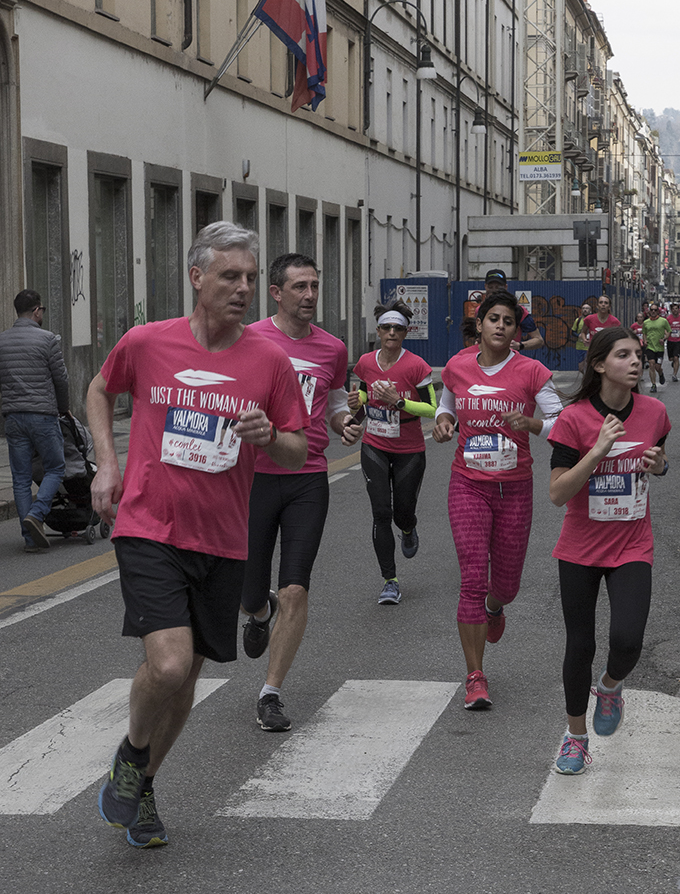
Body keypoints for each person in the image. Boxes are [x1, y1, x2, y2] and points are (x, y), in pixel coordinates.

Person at [88, 222, 308, 848]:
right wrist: (108, 463)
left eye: (248, 278)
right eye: (229, 276)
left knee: (188, 680)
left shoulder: (269, 360)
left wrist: (272, 437)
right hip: (149, 526)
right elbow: (100, 390)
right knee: (169, 662)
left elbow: (296, 448)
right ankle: (133, 753)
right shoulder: (147, 342)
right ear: (196, 278)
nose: (243, 289)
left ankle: (144, 782)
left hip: (222, 538)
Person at [239, 253, 362, 732]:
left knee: (296, 585)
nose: (310, 295)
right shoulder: (249, 340)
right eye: (300, 287)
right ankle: (257, 609)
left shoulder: (332, 348)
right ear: (276, 293)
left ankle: (271, 692)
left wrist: (343, 422)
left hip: (308, 475)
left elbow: (332, 401)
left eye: (315, 286)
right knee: (248, 589)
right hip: (252, 478)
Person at [548, 327, 670, 774]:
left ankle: (611, 685)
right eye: (624, 355)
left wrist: (661, 465)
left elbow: (657, 458)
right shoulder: (574, 419)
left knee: (627, 640)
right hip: (580, 548)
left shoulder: (655, 412)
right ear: (600, 365)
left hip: (632, 544)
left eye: (638, 354)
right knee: (580, 645)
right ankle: (576, 737)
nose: (636, 361)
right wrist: (598, 449)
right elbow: (558, 493)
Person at [433, 292, 561, 710]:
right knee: (471, 577)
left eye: (508, 320)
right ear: (481, 323)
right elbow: (445, 403)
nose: (501, 326)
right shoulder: (457, 366)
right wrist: (444, 421)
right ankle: (475, 676)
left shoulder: (532, 371)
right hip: (467, 483)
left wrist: (531, 424)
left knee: (505, 585)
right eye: (493, 319)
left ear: (514, 329)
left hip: (514, 487)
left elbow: (562, 424)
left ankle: (495, 605)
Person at [348, 299, 436, 605]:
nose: (391, 333)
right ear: (379, 330)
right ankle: (390, 581)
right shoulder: (366, 363)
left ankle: (409, 528)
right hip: (375, 444)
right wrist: (354, 408)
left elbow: (432, 409)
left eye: (397, 329)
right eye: (386, 328)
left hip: (409, 448)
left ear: (405, 332)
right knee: (381, 512)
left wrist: (399, 402)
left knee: (402, 512)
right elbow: (363, 395)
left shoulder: (416, 366)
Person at [0, 290, 69, 552]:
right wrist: (64, 409)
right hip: (42, 415)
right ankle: (37, 514)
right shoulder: (48, 340)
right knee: (55, 467)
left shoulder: (2, 341)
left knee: (20, 478)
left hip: (14, 418)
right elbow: (60, 379)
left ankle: (30, 540)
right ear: (37, 311)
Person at [482, 269, 544, 351]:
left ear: (506, 287)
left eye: (508, 322)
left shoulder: (519, 311)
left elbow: (539, 340)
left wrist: (519, 345)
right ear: (485, 286)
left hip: (510, 359)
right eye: (491, 287)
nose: (494, 290)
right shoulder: (480, 310)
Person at [642, 302, 671, 394]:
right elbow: (644, 333)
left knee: (657, 367)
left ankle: (661, 373)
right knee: (651, 364)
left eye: (655, 310)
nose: (653, 311)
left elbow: (669, 331)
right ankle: (653, 385)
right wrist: (645, 341)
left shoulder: (663, 321)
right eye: (652, 310)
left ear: (658, 311)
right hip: (650, 347)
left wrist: (664, 339)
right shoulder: (646, 322)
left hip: (659, 348)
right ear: (649, 312)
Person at [665, 302, 680, 382]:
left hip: (678, 340)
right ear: (671, 310)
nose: (675, 310)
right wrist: (666, 333)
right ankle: (673, 360)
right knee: (671, 358)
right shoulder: (668, 318)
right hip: (670, 340)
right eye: (673, 309)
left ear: (679, 309)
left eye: (676, 309)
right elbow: (665, 327)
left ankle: (674, 374)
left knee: (676, 358)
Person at [572, 303, 592, 374]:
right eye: (583, 308)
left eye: (587, 308)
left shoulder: (592, 320)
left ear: (590, 311)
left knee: (589, 366)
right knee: (581, 368)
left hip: (589, 347)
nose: (585, 310)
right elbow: (572, 331)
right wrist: (578, 335)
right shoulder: (578, 320)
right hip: (580, 346)